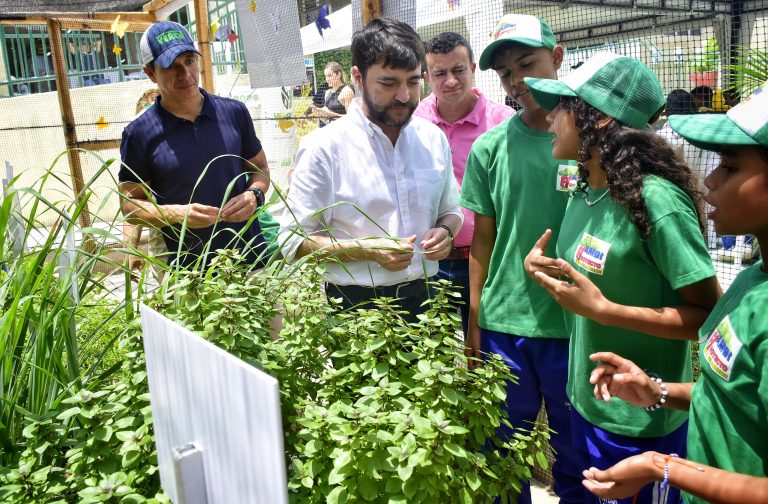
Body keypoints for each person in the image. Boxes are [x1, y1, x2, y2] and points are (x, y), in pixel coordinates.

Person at [524, 53, 720, 504]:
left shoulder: (656, 201)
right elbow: (605, 275)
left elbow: (706, 316)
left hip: (638, 416)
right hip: (586, 399)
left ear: (600, 118)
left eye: (564, 105)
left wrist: (606, 312)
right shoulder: (587, 187)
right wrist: (547, 271)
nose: (550, 115)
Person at [580, 82, 768, 504]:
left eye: (732, 168)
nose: (710, 181)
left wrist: (661, 466)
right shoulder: (751, 279)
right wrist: (659, 392)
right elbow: (732, 399)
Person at [459, 14, 586, 504]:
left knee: (575, 456)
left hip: (575, 326)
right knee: (502, 457)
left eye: (527, 64)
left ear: (557, 58)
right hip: (505, 326)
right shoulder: (490, 147)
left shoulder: (589, 142)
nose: (517, 80)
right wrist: (475, 323)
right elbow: (483, 244)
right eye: (506, 72)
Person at [280, 17, 463, 322]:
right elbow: (293, 240)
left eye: (414, 82)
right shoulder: (323, 148)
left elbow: (452, 209)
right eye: (389, 83)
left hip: (430, 296)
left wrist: (445, 231)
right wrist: (366, 250)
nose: (405, 95)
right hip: (356, 307)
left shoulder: (432, 138)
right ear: (358, 78)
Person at [118, 21, 270, 270]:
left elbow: (260, 168)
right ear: (151, 73)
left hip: (250, 259)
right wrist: (177, 215)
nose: (185, 74)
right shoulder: (139, 133)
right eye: (171, 66)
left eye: (189, 61)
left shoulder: (234, 112)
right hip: (187, 274)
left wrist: (254, 194)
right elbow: (130, 205)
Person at [413, 31, 514, 335]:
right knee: (433, 353)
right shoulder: (415, 122)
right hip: (432, 259)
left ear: (472, 67)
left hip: (487, 260)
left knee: (485, 354)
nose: (451, 80)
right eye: (439, 73)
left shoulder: (503, 122)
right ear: (427, 76)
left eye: (458, 70)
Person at [657, 89, 720, 249]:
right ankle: (710, 241)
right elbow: (710, 165)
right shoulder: (700, 133)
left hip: (673, 192)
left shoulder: (660, 136)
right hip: (698, 188)